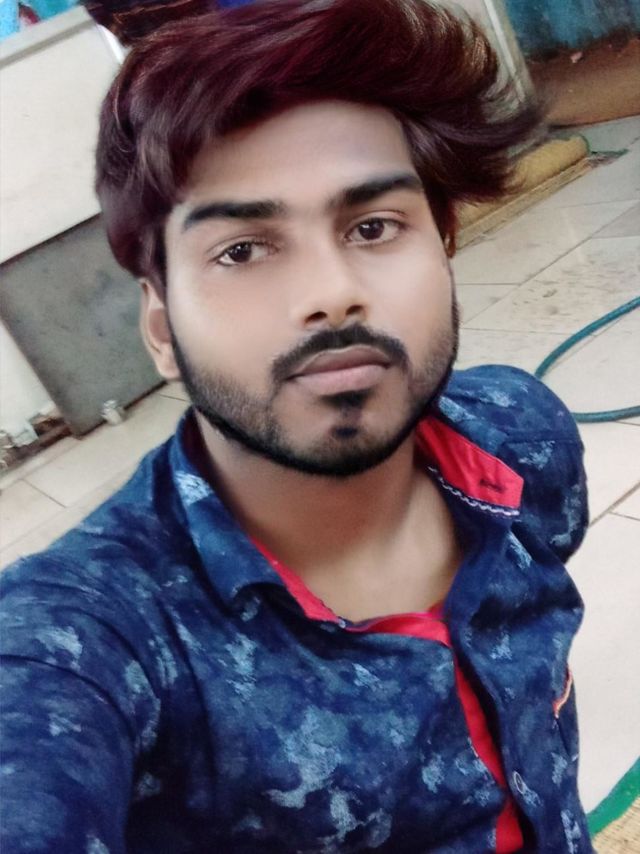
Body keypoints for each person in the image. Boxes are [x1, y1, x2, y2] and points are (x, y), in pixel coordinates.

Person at [0, 0, 594, 851]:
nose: (331, 293)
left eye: (373, 227)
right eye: (241, 250)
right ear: (161, 329)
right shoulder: (90, 637)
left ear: (444, 247)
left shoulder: (523, 441)